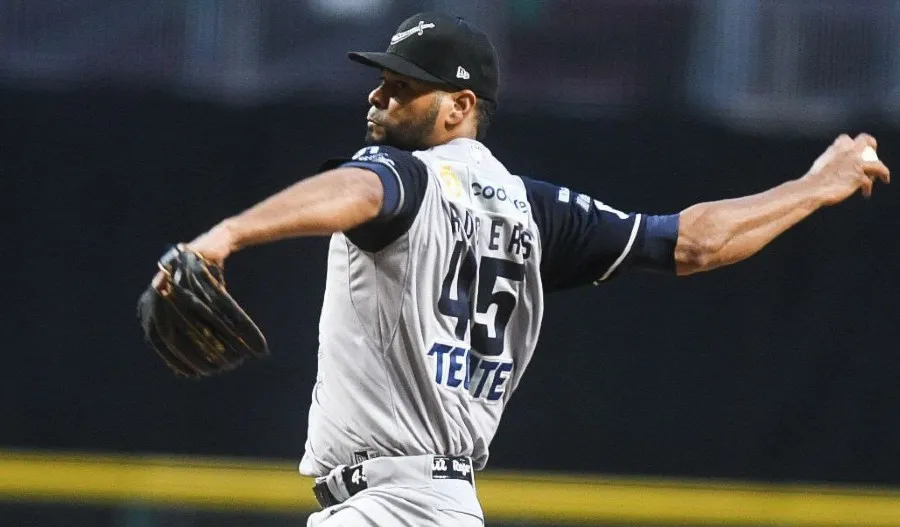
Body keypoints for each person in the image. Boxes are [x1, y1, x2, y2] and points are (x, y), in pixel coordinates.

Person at [173, 12, 889, 527]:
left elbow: (361, 190)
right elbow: (691, 243)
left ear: (461, 106)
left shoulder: (401, 176)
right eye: (383, 82)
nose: (378, 96)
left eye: (402, 87)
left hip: (386, 505)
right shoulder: (534, 211)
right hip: (446, 505)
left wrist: (228, 233)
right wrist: (816, 185)